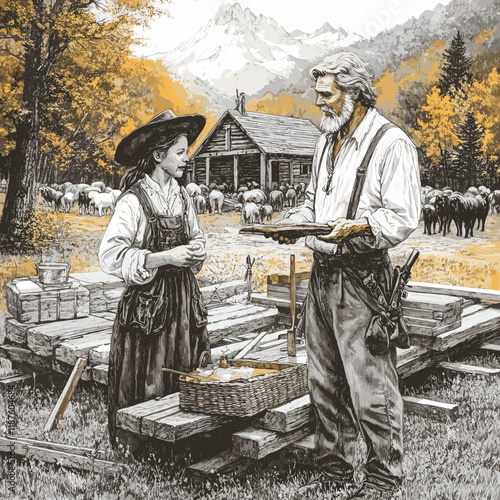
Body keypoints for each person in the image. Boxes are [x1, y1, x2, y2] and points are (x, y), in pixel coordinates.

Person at [276, 52, 422, 499]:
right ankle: (334, 472)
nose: (318, 103)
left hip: (363, 280)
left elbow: (404, 217)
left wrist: (361, 226)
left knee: (370, 385)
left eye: (327, 94)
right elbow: (315, 204)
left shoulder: (391, 143)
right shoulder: (327, 140)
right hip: (322, 275)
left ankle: (383, 478)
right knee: (323, 380)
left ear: (354, 92)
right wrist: (292, 223)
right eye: (316, 93)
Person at [99, 110, 211, 453]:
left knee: (186, 365)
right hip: (149, 307)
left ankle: (187, 440)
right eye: (180, 152)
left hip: (183, 301)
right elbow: (110, 255)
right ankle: (146, 443)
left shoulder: (182, 196)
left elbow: (197, 238)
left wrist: (196, 250)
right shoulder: (133, 200)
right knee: (150, 372)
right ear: (158, 155)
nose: (187, 158)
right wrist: (164, 258)